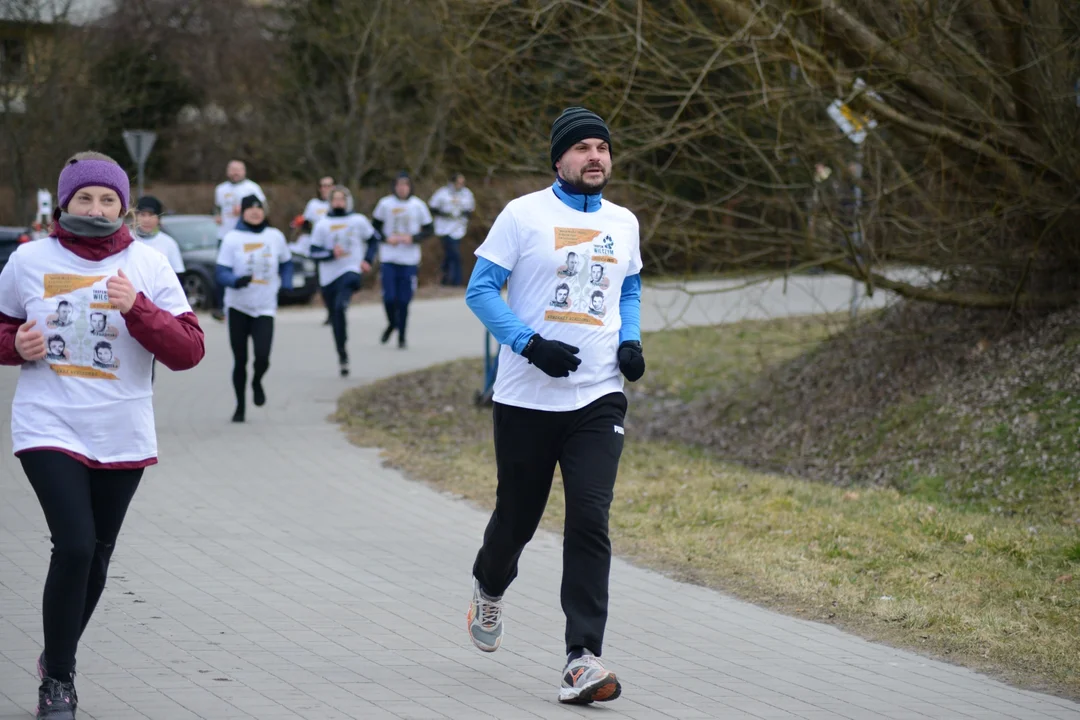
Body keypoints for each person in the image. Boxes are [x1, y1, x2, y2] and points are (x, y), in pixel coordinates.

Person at [0, 151, 205, 720]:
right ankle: (59, 684)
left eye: (107, 199)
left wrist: (138, 308)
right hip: (48, 423)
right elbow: (2, 327)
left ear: (125, 205)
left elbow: (189, 349)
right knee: (72, 545)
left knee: (97, 557)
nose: (96, 208)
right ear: (63, 202)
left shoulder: (149, 264)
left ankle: (54, 655)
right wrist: (11, 346)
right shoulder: (27, 261)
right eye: (84, 198)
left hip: (122, 429)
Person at [462, 107, 645, 705]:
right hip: (526, 396)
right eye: (583, 148)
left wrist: (630, 341)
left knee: (590, 518)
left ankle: (581, 658)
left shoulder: (625, 221)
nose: (596, 157)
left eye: (603, 148)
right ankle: (489, 587)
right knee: (517, 517)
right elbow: (480, 290)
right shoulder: (523, 215)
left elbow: (631, 285)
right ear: (559, 159)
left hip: (598, 394)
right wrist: (529, 344)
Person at [215, 195, 292, 423]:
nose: (256, 213)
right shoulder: (232, 238)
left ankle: (257, 381)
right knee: (240, 360)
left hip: (265, 307)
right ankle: (240, 406)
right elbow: (220, 272)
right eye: (251, 209)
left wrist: (286, 284)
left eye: (260, 209)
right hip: (238, 307)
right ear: (243, 212)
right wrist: (235, 280)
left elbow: (287, 263)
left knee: (262, 357)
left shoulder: (275, 236)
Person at [307, 186, 375, 377]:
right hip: (329, 276)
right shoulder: (322, 224)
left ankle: (343, 303)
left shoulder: (357, 220)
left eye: (341, 199)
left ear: (347, 201)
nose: (338, 203)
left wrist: (367, 260)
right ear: (330, 202)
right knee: (336, 316)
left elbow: (373, 240)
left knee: (339, 306)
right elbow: (313, 252)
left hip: (350, 269)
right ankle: (342, 353)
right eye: (335, 200)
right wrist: (330, 253)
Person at [370, 171, 433, 349]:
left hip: (409, 259)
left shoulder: (418, 205)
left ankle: (402, 336)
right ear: (394, 187)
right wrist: (385, 238)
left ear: (410, 187)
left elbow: (429, 229)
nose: (402, 188)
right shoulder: (385, 204)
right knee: (389, 298)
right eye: (399, 185)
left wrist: (413, 238)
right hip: (389, 257)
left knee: (404, 300)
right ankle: (392, 323)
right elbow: (373, 227)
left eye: (405, 185)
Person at [212, 160, 265, 321]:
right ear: (228, 172)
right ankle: (222, 307)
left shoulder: (252, 187)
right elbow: (217, 207)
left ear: (244, 171)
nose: (235, 173)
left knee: (245, 269)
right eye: (232, 170)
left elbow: (262, 207)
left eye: (238, 170)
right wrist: (217, 215)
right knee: (222, 271)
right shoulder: (221, 189)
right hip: (224, 235)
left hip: (244, 235)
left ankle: (252, 304)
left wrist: (245, 210)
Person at [428, 172, 475, 287]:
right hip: (444, 229)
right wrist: (445, 214)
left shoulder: (467, 194)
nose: (460, 185)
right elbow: (432, 208)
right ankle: (455, 281)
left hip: (458, 229)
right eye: (458, 182)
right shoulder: (442, 193)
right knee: (454, 254)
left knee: (450, 255)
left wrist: (461, 213)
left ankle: (447, 279)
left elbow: (470, 210)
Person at [133, 196, 185, 276]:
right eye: (142, 215)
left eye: (151, 215)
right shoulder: (126, 240)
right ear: (136, 217)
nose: (147, 220)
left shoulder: (169, 243)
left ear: (159, 218)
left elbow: (178, 275)